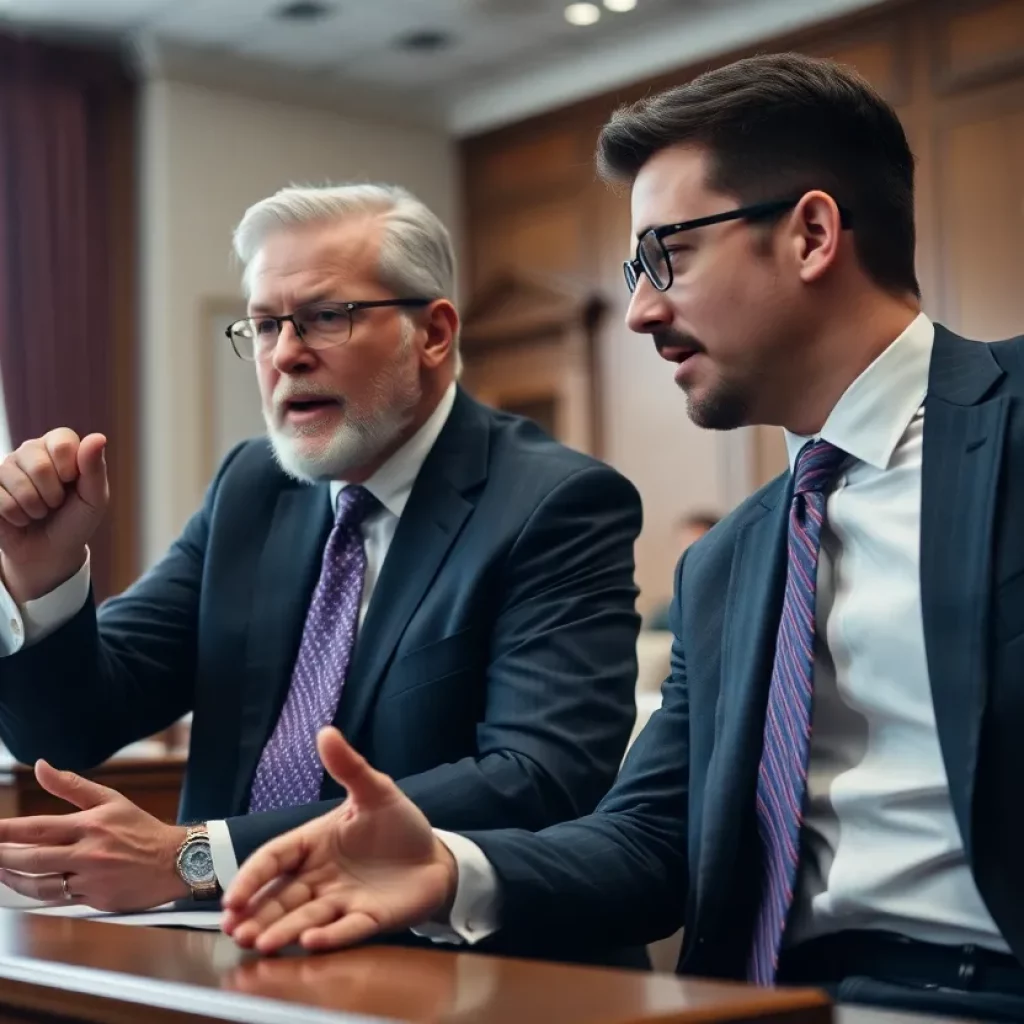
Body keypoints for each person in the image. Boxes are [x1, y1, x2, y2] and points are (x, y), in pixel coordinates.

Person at [221, 55, 1024, 1021]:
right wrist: (445, 867)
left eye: (665, 258)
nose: (640, 309)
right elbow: (652, 840)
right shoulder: (732, 561)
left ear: (811, 234)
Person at [0, 183, 643, 914]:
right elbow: (66, 731)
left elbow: (538, 779)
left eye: (324, 318)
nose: (287, 356)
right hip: (214, 948)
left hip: (434, 957)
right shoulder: (252, 486)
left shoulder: (554, 503)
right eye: (265, 326)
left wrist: (204, 855)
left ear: (432, 333)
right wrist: (43, 572)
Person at [646, 511, 718, 630]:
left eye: (696, 551)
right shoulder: (664, 617)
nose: (686, 561)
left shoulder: (739, 613)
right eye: (682, 550)